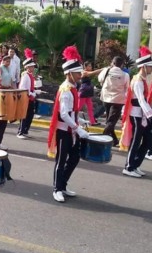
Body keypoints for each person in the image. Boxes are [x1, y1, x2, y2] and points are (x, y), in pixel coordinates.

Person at [47, 46, 90, 202]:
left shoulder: (72, 87)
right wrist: (78, 128)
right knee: (61, 159)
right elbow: (64, 114)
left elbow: (70, 112)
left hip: (71, 130)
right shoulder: (66, 90)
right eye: (78, 73)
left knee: (75, 158)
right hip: (64, 130)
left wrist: (80, 120)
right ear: (69, 73)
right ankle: (57, 188)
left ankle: (63, 184)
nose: (80, 75)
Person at [120, 47, 152, 178]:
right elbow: (141, 101)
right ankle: (128, 167)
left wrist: (150, 116)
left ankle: (135, 164)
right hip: (136, 114)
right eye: (150, 66)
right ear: (143, 67)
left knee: (148, 140)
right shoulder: (138, 81)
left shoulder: (143, 80)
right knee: (136, 141)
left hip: (143, 114)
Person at [98, 56, 129, 147]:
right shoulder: (125, 75)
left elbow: (100, 79)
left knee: (109, 120)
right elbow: (127, 88)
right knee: (111, 121)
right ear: (122, 65)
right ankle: (102, 139)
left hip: (106, 98)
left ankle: (115, 140)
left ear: (113, 63)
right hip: (118, 100)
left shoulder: (106, 71)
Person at [17, 49, 37, 139]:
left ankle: (25, 130)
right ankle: (20, 132)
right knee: (24, 115)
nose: (33, 68)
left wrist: (34, 92)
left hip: (30, 98)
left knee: (30, 115)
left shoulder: (30, 75)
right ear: (28, 67)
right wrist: (31, 93)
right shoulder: (25, 75)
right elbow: (22, 88)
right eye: (32, 67)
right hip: (26, 98)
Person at [78, 61, 102, 126]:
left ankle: (92, 122)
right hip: (83, 92)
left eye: (91, 66)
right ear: (85, 67)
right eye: (89, 66)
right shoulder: (84, 72)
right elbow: (93, 73)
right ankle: (72, 118)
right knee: (78, 107)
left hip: (87, 93)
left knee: (90, 108)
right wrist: (103, 69)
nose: (90, 67)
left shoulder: (86, 73)